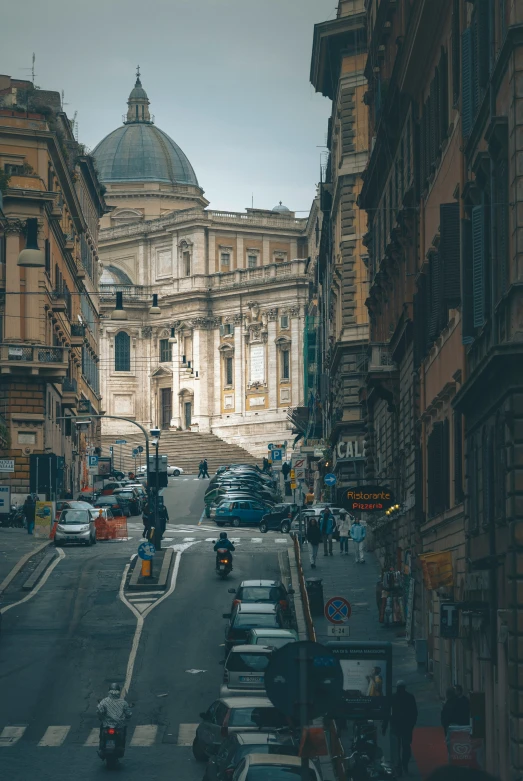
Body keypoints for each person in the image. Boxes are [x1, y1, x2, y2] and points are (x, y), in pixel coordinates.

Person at [383, 680, 418, 776]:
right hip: (406, 727)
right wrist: (412, 725)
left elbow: (387, 712)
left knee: (396, 749)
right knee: (406, 747)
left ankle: (398, 767)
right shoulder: (410, 697)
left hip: (395, 727)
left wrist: (384, 726)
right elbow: (414, 713)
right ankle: (404, 765)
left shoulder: (393, 697)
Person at [97, 683, 132, 751]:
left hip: (106, 725)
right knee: (123, 732)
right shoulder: (123, 702)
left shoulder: (104, 701)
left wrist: (101, 717)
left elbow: (99, 711)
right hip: (119, 726)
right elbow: (129, 714)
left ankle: (101, 745)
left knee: (101, 731)